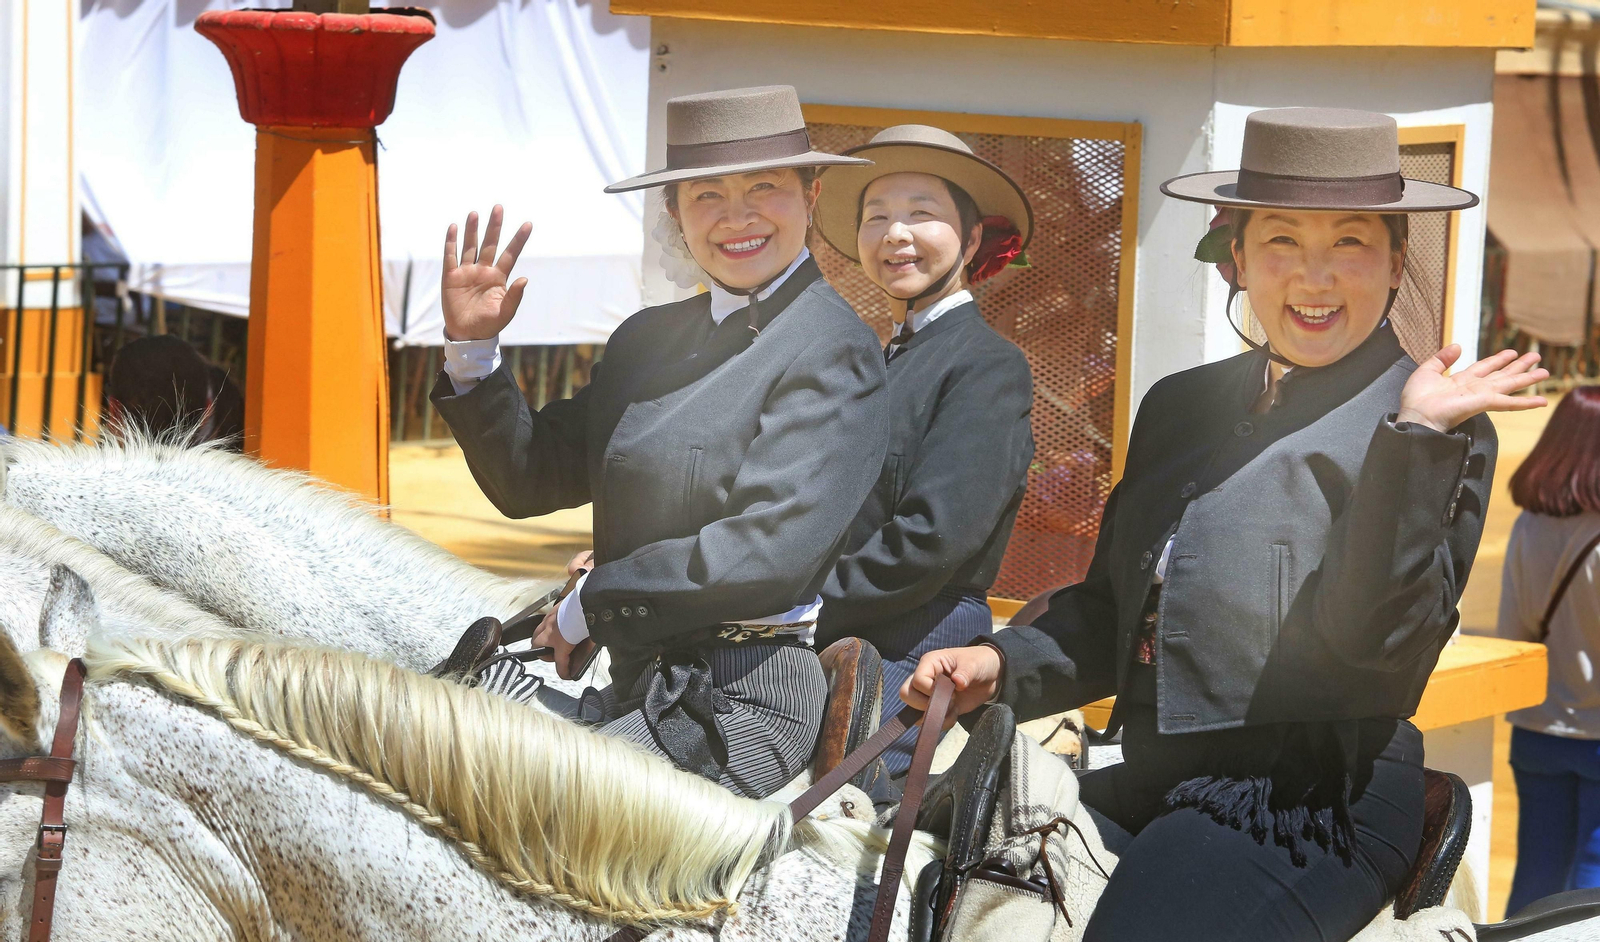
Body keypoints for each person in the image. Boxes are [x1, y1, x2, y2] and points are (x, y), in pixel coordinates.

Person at [900, 108, 1550, 940]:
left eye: (1349, 244)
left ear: (1395, 264)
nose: (1314, 280)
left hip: (1309, 807)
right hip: (1153, 774)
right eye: (1281, 242)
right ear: (1238, 259)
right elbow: (1111, 609)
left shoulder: (1435, 432)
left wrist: (1412, 445)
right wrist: (1000, 661)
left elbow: (1374, 652)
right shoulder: (1181, 406)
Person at [429, 85, 889, 800]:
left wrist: (594, 600)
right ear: (676, 213)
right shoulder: (647, 339)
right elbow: (529, 480)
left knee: (523, 804)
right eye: (706, 195)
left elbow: (767, 550)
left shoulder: (834, 348)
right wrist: (473, 349)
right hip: (635, 680)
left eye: (763, 188)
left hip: (741, 701)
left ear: (811, 193)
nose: (735, 217)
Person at [811, 125, 1034, 779]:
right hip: (841, 620)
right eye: (876, 217)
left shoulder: (988, 363)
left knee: (848, 816)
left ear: (970, 240)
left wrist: (806, 599)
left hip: (916, 636)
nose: (895, 234)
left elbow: (932, 539)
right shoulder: (877, 361)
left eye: (920, 214)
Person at [1497, 386, 1600, 914]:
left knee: (1535, 872)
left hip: (1535, 726)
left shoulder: (1527, 524)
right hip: (1596, 731)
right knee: (1592, 877)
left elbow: (1512, 629)